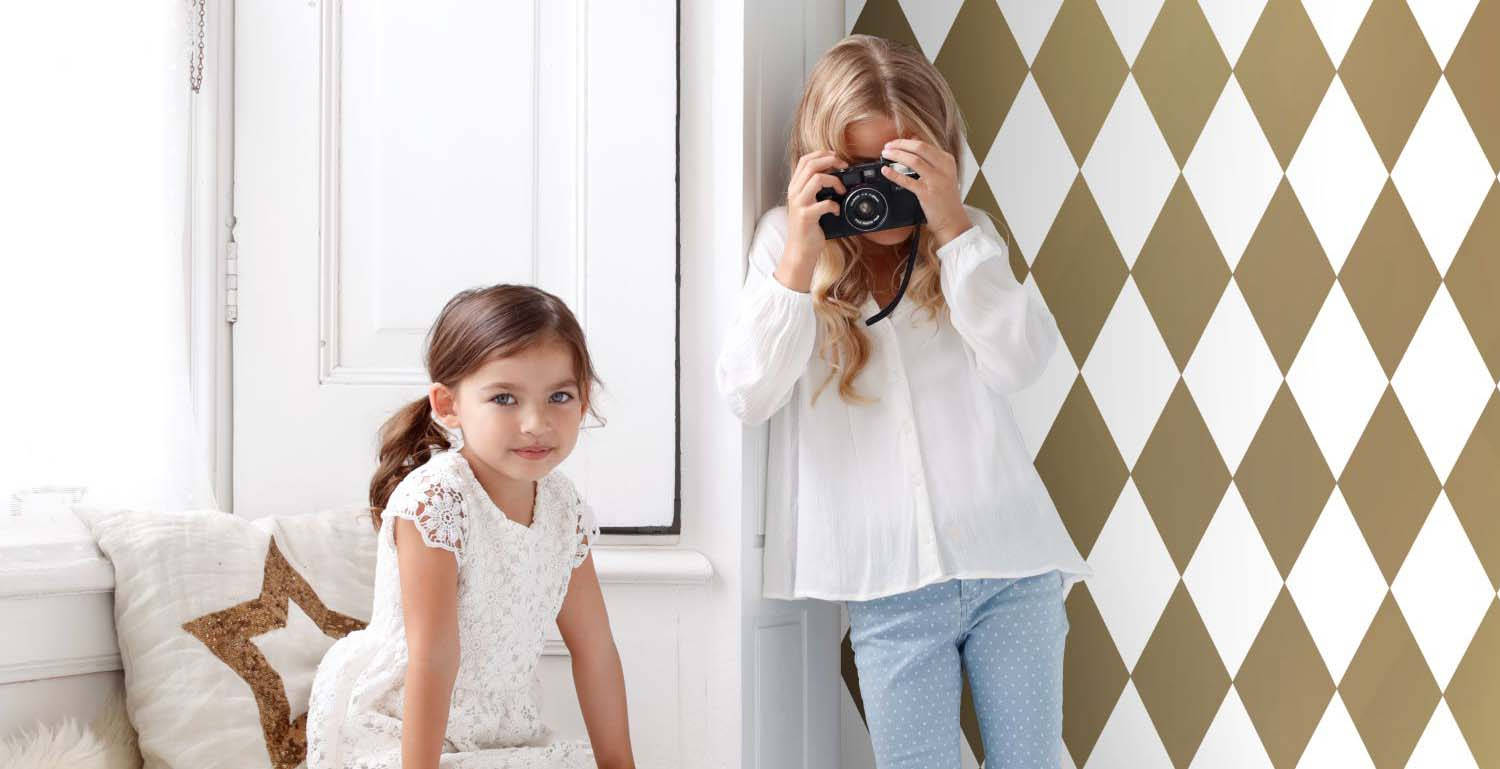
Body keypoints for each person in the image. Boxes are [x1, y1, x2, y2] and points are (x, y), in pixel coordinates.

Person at [716, 34, 1093, 769]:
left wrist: (951, 222)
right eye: (864, 169)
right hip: (887, 582)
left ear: (939, 154)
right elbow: (748, 393)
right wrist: (798, 254)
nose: (885, 191)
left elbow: (1019, 363)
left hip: (1010, 561)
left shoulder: (967, 239)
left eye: (903, 166)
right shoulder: (786, 249)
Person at [308, 284, 635, 769]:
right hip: (411, 737)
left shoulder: (563, 506)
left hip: (506, 737)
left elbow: (596, 650)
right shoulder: (437, 503)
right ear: (448, 404)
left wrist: (620, 764)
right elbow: (433, 658)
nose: (535, 422)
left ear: (583, 402)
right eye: (504, 398)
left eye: (559, 396)